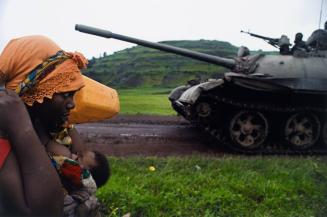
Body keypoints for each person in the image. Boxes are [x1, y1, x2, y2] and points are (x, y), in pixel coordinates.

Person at [0, 35, 109, 216]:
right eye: (65, 94)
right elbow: (45, 211)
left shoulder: (50, 128)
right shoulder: (7, 137)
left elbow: (79, 152)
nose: (72, 104)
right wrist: (22, 129)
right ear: (32, 91)